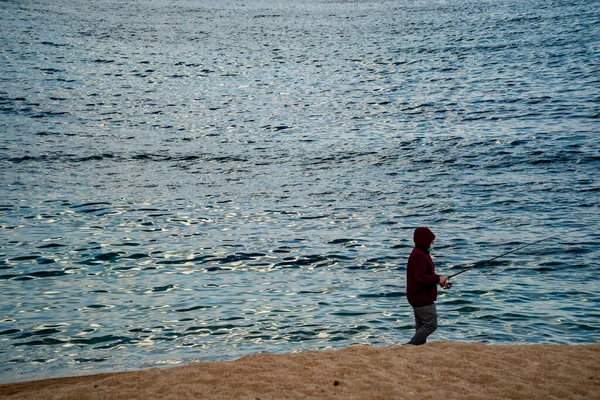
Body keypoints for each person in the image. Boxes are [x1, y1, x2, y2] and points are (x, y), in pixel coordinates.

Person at [405, 227, 449, 345]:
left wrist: (439, 280)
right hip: (421, 297)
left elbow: (426, 275)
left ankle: (418, 347)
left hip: (417, 296)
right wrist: (437, 279)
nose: (433, 243)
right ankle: (410, 346)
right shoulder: (419, 256)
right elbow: (420, 277)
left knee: (421, 326)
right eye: (431, 241)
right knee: (431, 324)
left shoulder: (421, 253)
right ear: (424, 241)